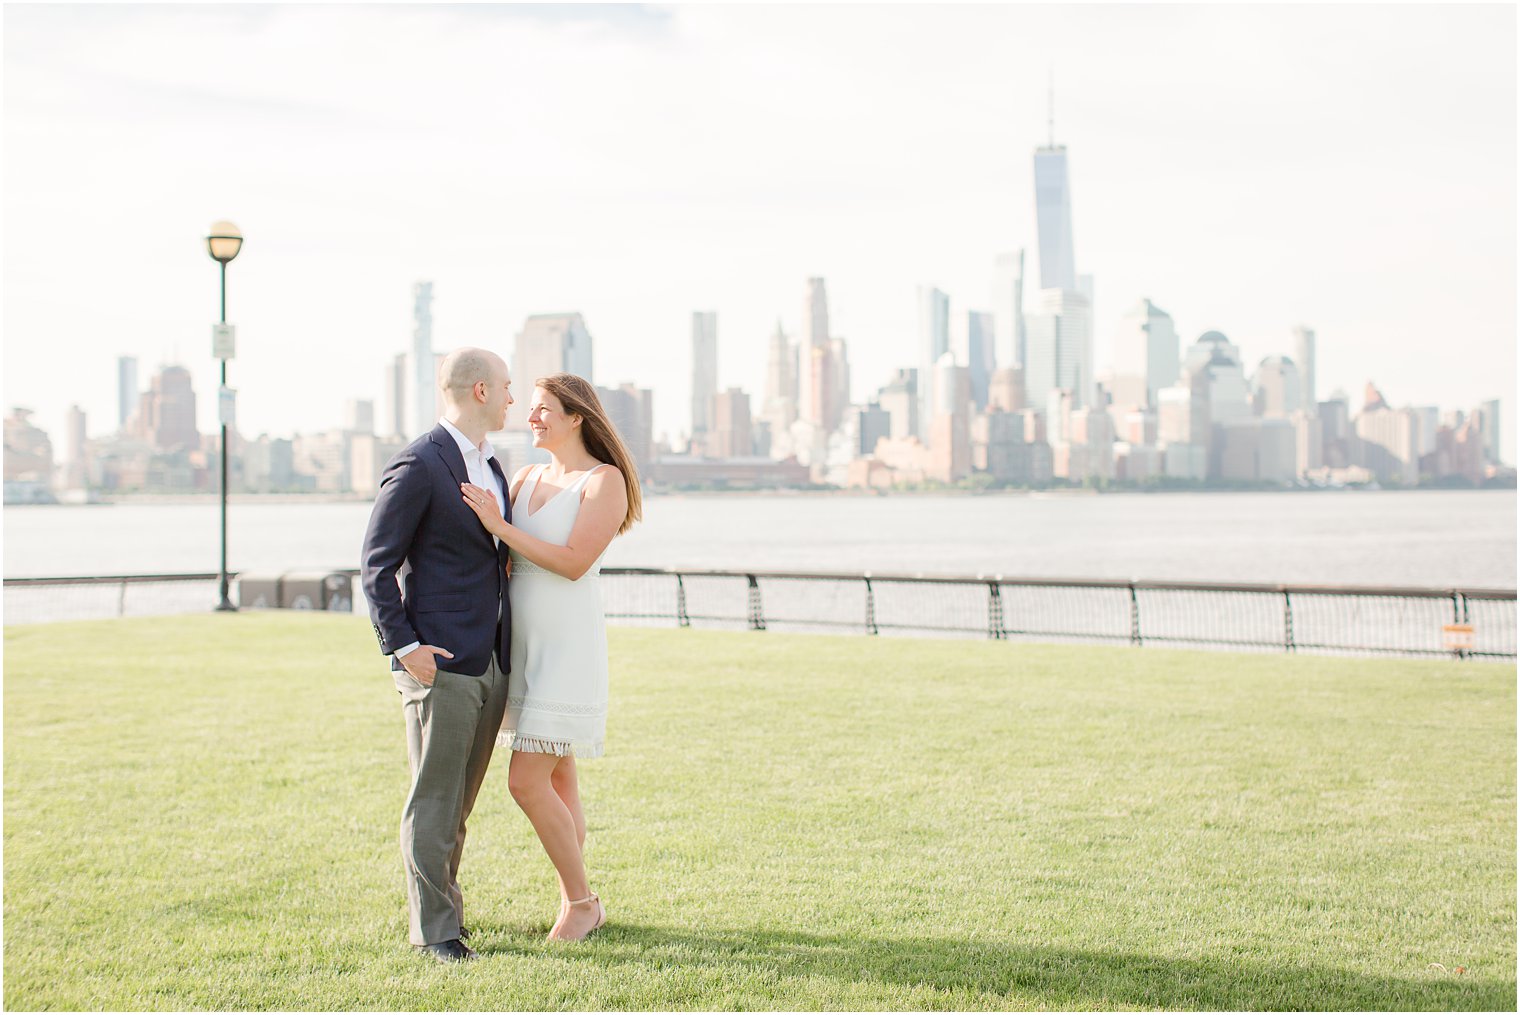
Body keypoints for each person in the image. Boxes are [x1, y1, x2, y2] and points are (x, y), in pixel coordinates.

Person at [460, 372, 642, 942]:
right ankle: (577, 900)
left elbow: (572, 562)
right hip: (523, 647)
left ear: (576, 417)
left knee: (525, 781)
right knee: (561, 780)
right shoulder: (524, 476)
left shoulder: (603, 481)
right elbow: (506, 567)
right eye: (531, 408)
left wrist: (497, 525)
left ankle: (582, 903)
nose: (531, 416)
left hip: (568, 649)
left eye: (542, 409)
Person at [360, 348, 515, 963]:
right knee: (434, 800)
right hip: (440, 665)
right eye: (506, 387)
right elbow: (376, 566)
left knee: (459, 803)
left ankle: (447, 912)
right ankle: (435, 933)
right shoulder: (421, 463)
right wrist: (405, 649)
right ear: (479, 391)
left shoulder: (492, 466)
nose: (512, 398)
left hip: (488, 661)